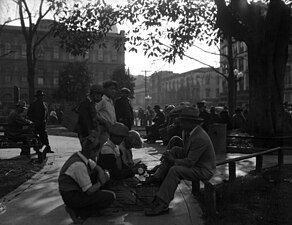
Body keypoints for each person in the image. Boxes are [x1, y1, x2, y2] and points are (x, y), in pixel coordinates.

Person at [143, 106, 216, 216]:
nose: (180, 123)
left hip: (203, 170)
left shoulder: (199, 137)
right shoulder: (189, 132)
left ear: (191, 122)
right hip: (196, 164)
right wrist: (173, 153)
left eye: (182, 121)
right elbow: (187, 152)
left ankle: (162, 203)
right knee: (175, 150)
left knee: (175, 170)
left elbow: (190, 162)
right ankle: (158, 176)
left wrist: (173, 160)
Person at [58, 131, 115, 223]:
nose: (97, 154)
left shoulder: (82, 155)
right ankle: (78, 211)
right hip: (72, 195)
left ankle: (84, 209)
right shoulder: (79, 165)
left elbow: (95, 166)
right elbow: (89, 191)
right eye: (97, 152)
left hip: (74, 191)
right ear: (93, 151)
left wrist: (101, 171)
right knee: (110, 197)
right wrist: (101, 182)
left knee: (99, 174)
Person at [95, 80, 118, 146]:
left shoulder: (110, 101)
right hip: (103, 130)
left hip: (110, 130)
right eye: (111, 89)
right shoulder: (102, 100)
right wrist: (104, 121)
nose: (113, 91)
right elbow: (93, 112)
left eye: (114, 89)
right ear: (104, 89)